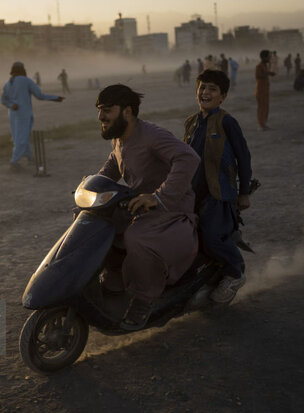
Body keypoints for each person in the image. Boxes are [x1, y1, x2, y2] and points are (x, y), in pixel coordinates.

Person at [96, 84, 199, 330]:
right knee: (100, 225)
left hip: (171, 209)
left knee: (136, 236)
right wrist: (90, 188)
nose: (101, 117)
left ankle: (145, 298)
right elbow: (111, 167)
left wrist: (160, 197)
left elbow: (188, 157)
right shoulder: (120, 140)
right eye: (100, 110)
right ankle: (115, 280)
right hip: (141, 206)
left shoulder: (152, 135)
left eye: (107, 110)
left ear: (127, 112)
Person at [182, 69, 252, 303]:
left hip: (219, 193)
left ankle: (235, 272)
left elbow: (243, 158)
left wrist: (243, 194)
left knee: (212, 237)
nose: (205, 92)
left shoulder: (227, 122)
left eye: (212, 89)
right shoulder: (191, 123)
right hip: (192, 193)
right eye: (202, 87)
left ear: (223, 96)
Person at [1, 62, 64, 170]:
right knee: (22, 137)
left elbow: (3, 100)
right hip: (24, 114)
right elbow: (39, 95)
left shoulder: (8, 83)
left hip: (12, 113)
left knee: (19, 137)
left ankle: (29, 157)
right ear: (23, 70)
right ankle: (14, 162)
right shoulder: (26, 81)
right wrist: (54, 98)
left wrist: (11, 105)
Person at [255, 50, 275, 131]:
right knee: (261, 108)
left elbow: (266, 72)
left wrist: (269, 72)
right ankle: (261, 124)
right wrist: (268, 74)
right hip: (260, 90)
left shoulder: (265, 65)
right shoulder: (259, 66)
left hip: (265, 90)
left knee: (266, 107)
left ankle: (264, 123)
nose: (269, 58)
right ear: (264, 57)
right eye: (268, 57)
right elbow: (258, 76)